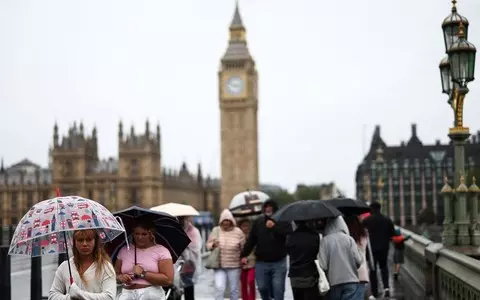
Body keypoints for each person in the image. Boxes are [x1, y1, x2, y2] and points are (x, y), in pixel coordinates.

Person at [241, 199, 290, 300]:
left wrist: (274, 227)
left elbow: (288, 234)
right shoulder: (258, 222)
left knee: (278, 290)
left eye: (270, 207)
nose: (268, 209)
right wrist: (244, 254)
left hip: (279, 263)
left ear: (274, 208)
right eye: (266, 207)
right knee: (262, 287)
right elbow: (251, 240)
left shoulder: (283, 220)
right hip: (261, 262)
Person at [48, 229, 117, 300]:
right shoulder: (65, 266)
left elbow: (109, 297)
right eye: (80, 240)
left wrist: (80, 294)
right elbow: (53, 295)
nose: (84, 244)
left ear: (95, 242)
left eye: (89, 240)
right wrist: (69, 298)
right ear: (74, 242)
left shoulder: (105, 267)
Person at [115, 220, 174, 300]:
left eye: (144, 234)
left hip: (151, 294)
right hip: (127, 294)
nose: (140, 237)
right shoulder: (124, 250)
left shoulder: (162, 251)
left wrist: (143, 274)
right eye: (137, 234)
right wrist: (121, 277)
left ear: (151, 234)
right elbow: (114, 275)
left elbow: (168, 280)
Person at [318, 216, 363, 300]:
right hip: (351, 280)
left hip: (334, 282)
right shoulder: (349, 239)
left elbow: (323, 265)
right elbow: (359, 260)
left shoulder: (325, 241)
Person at [206, 209, 245, 300]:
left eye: (228, 220)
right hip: (219, 265)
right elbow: (208, 245)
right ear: (221, 221)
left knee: (234, 289)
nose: (226, 222)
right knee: (219, 287)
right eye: (224, 220)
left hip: (234, 265)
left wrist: (242, 250)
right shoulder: (216, 230)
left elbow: (244, 248)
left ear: (231, 221)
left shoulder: (238, 232)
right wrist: (213, 245)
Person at [362, 202, 395, 298]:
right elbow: (392, 234)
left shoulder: (366, 221)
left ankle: (375, 292)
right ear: (380, 208)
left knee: (373, 270)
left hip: (371, 250)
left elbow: (362, 234)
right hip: (384, 248)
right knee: (384, 268)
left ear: (371, 209)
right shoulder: (387, 220)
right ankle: (386, 288)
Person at [285, 220, 322, 300]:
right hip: (310, 274)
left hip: (295, 276)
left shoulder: (290, 237)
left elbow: (288, 251)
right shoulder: (314, 236)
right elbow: (317, 252)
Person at [344, 215, 371, 299]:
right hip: (362, 272)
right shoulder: (364, 235)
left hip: (348, 272)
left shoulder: (345, 237)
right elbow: (367, 255)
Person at [177, 216, 202, 300]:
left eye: (182, 219)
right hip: (175, 265)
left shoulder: (193, 231)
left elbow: (196, 246)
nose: (180, 221)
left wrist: (184, 243)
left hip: (189, 265)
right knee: (175, 290)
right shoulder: (174, 229)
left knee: (188, 289)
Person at [238, 219, 256, 300]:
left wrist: (247, 258)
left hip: (252, 262)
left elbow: (255, 250)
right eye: (243, 226)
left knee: (251, 281)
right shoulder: (237, 237)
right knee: (243, 283)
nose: (246, 228)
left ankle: (252, 298)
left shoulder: (254, 237)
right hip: (240, 264)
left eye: (247, 225)